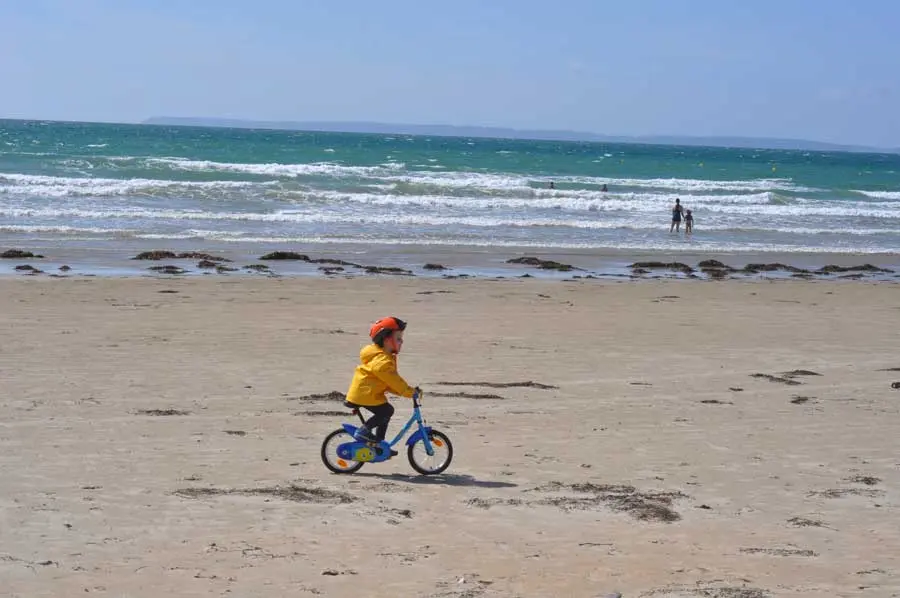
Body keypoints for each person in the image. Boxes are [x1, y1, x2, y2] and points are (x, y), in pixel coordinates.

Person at [345, 316, 419, 455]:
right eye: (398, 338)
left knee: (385, 412)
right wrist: (408, 392)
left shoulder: (384, 357)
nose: (401, 341)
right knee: (386, 411)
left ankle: (379, 444)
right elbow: (394, 380)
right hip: (365, 394)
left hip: (367, 394)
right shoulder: (382, 361)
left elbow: (390, 384)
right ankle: (363, 432)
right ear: (386, 340)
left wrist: (407, 392)